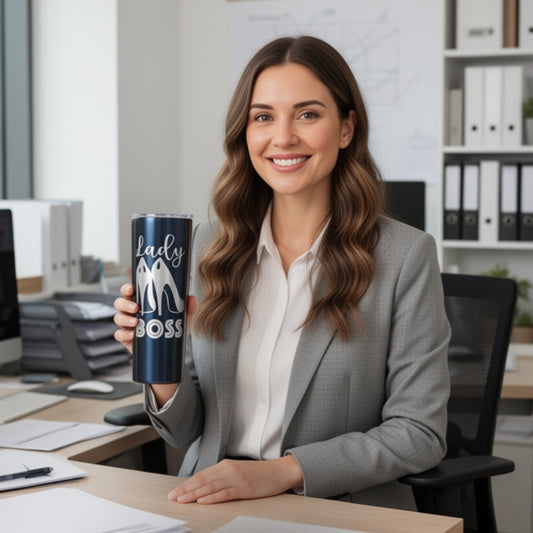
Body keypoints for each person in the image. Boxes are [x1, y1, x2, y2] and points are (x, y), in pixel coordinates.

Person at [114, 35, 450, 510]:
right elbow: (187, 430)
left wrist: (281, 472)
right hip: (211, 501)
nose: (284, 137)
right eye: (263, 116)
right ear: (245, 132)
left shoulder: (404, 256)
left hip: (338, 506)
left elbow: (419, 433)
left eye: (308, 114)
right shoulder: (212, 246)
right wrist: (156, 360)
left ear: (347, 128)